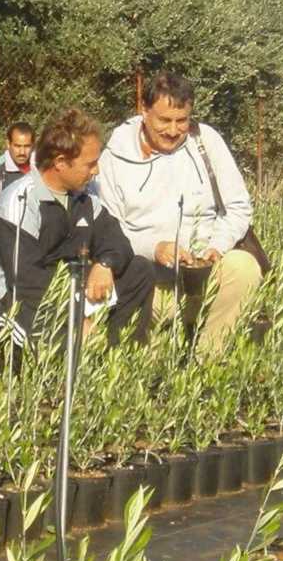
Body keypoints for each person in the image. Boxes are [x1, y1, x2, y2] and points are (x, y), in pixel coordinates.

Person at [95, 70, 261, 355]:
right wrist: (154, 248)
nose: (173, 130)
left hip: (204, 277)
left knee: (244, 267)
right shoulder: (116, 155)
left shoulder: (205, 141)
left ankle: (209, 359)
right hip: (149, 286)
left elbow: (237, 207)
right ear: (144, 110)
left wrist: (215, 247)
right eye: (164, 120)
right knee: (145, 366)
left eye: (181, 120)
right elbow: (108, 229)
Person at [0, 109, 156, 346]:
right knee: (39, 327)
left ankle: (115, 356)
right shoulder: (17, 203)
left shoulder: (84, 199)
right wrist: (73, 320)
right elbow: (26, 283)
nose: (96, 171)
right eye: (90, 164)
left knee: (139, 270)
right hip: (16, 303)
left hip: (67, 292)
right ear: (60, 163)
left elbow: (118, 243)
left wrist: (105, 265)